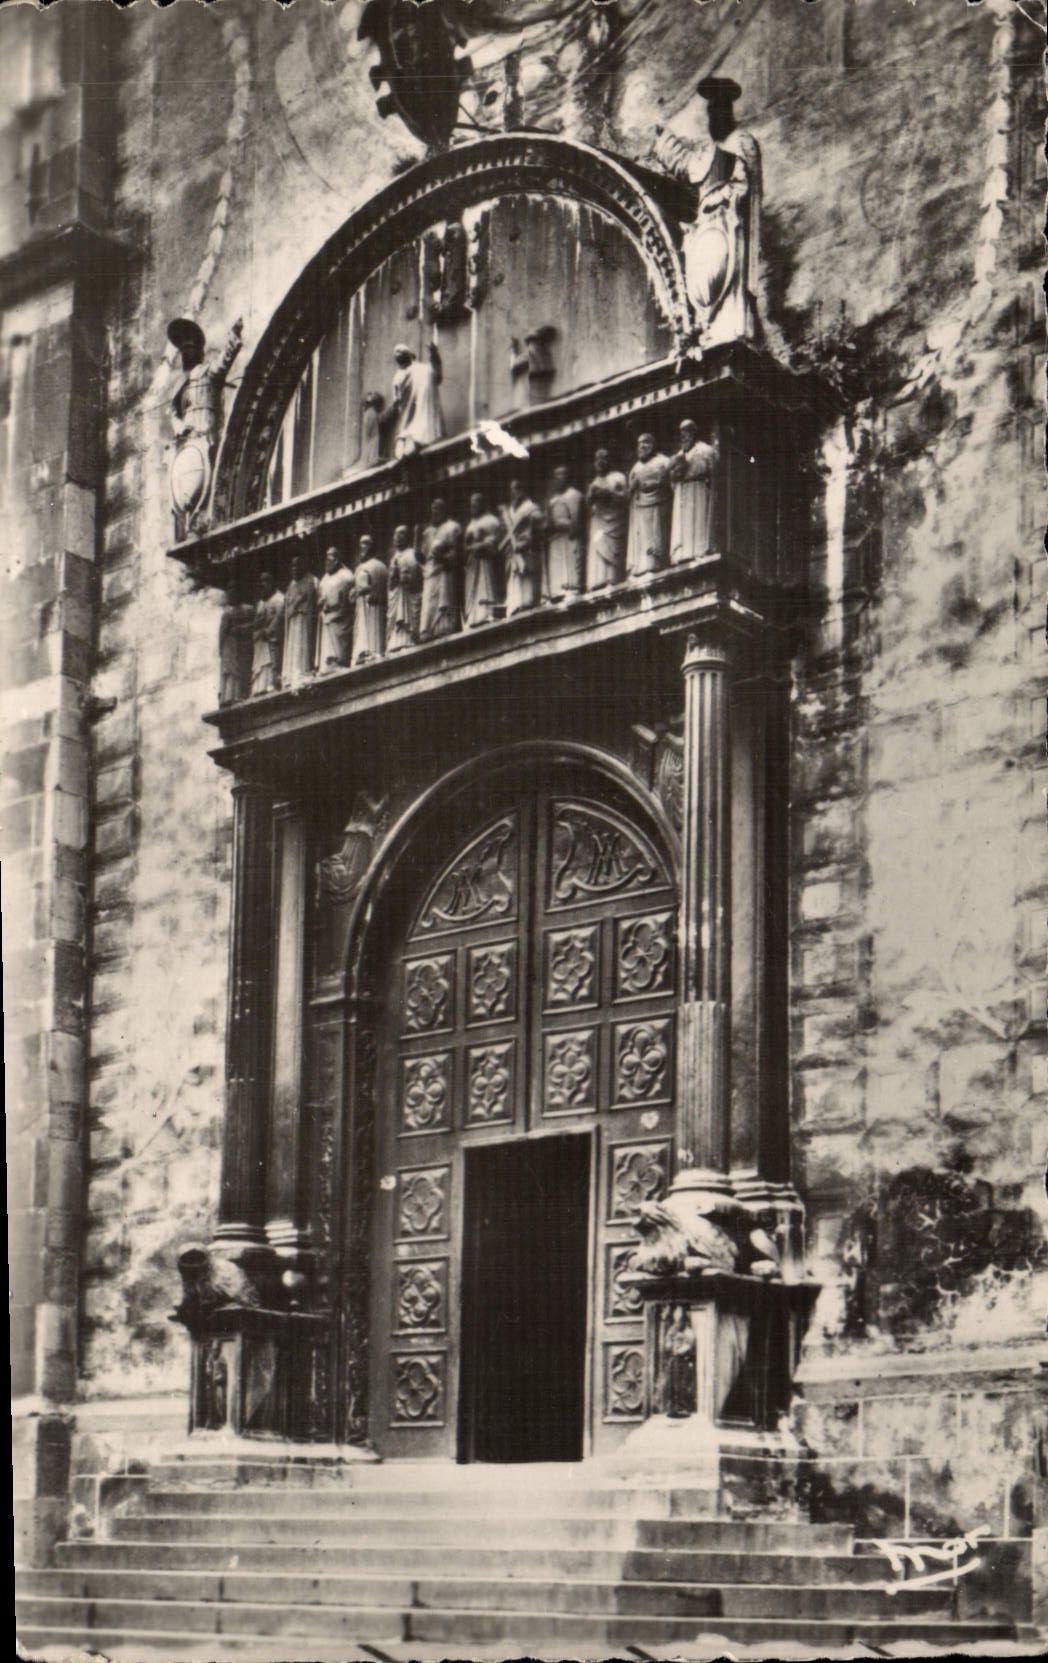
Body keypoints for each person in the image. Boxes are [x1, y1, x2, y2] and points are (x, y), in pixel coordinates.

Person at [669, 419, 719, 564]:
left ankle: (700, 551)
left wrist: (691, 467)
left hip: (698, 489)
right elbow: (671, 480)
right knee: (683, 524)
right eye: (682, 432)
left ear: (694, 432)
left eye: (687, 431)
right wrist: (675, 472)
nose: (684, 435)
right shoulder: (679, 454)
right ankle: (682, 554)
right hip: (682, 492)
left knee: (698, 520)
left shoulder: (704, 449)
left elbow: (712, 467)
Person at [386, 343, 444, 459]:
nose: (398, 355)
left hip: (421, 410)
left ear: (409, 356)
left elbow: (437, 376)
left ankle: (415, 443)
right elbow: (398, 398)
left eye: (401, 353)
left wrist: (434, 356)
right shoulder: (398, 376)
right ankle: (409, 444)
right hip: (409, 412)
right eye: (397, 353)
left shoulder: (422, 369)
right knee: (407, 434)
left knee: (416, 431)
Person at [627, 432, 671, 577]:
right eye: (639, 444)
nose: (641, 446)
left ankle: (657, 562)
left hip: (658, 505)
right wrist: (632, 488)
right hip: (640, 508)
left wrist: (653, 484)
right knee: (641, 536)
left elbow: (670, 482)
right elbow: (630, 492)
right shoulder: (636, 468)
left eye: (645, 443)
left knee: (657, 533)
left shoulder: (663, 462)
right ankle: (641, 565)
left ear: (652, 445)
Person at [419, 497, 462, 641]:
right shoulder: (428, 532)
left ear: (444, 511)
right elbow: (422, 556)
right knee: (429, 601)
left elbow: (457, 552)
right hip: (430, 573)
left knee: (445, 598)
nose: (434, 513)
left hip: (445, 571)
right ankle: (428, 629)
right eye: (433, 510)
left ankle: (444, 627)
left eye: (437, 509)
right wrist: (415, 537)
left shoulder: (452, 527)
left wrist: (443, 558)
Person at [500, 479, 544, 617]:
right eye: (512, 489)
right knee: (515, 575)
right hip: (514, 551)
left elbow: (538, 521)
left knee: (526, 575)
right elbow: (507, 532)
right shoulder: (510, 511)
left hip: (527, 548)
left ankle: (528, 602)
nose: (514, 492)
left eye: (517, 489)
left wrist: (526, 540)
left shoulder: (529, 507)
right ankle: (515, 604)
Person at [585, 448, 627, 591]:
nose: (600, 462)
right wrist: (591, 497)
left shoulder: (618, 477)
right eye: (597, 459)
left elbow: (624, 498)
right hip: (598, 522)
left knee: (611, 549)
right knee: (597, 545)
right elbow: (589, 504)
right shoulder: (595, 481)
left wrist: (607, 494)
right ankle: (598, 580)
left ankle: (612, 578)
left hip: (613, 521)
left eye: (603, 458)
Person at [463, 493, 504, 627]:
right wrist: (468, 543)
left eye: (475, 503)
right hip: (472, 563)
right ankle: (474, 616)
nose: (472, 506)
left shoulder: (491, 520)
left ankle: (487, 612)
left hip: (485, 561)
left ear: (482, 504)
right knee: (472, 589)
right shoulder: (471, 524)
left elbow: (496, 542)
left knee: (486, 586)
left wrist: (482, 543)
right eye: (471, 504)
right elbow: (466, 547)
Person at [545, 466, 585, 601]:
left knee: (571, 560)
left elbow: (577, 523)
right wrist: (550, 525)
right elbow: (548, 523)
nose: (559, 479)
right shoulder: (553, 500)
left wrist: (564, 524)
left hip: (569, 537)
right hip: (556, 538)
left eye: (562, 475)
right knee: (557, 564)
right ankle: (558, 591)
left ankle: (572, 588)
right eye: (556, 476)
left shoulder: (574, 495)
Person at [282, 549, 318, 686]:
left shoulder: (311, 580)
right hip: (293, 623)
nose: (294, 568)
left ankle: (304, 670)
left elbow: (311, 604)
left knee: (303, 646)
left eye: (297, 565)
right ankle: (292, 674)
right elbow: (288, 606)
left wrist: (300, 606)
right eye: (292, 565)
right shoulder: (291, 585)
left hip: (305, 620)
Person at [316, 547, 354, 671]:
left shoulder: (346, 576)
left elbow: (347, 601)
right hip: (327, 617)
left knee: (338, 642)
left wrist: (333, 606)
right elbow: (320, 599)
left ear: (337, 560)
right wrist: (322, 604)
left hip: (340, 617)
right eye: (326, 559)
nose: (327, 562)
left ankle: (340, 662)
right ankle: (328, 664)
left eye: (330, 558)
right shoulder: (324, 580)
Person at [386, 525, 423, 652]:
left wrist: (407, 578)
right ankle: (396, 642)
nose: (398, 537)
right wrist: (394, 575)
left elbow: (419, 577)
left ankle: (411, 639)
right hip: (397, 598)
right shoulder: (393, 558)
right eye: (396, 534)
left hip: (410, 596)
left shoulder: (413, 554)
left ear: (408, 537)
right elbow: (391, 587)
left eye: (402, 534)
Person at [351, 535, 388, 664]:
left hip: (373, 604)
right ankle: (362, 652)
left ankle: (375, 650)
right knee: (361, 629)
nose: (363, 547)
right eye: (361, 544)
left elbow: (379, 586)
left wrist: (367, 590)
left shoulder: (378, 566)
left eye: (366, 544)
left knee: (373, 626)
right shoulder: (359, 568)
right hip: (361, 606)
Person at [251, 571, 285, 695]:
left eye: (266, 581)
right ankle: (259, 687)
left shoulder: (279, 598)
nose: (263, 584)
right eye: (261, 581)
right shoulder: (261, 603)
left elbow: (279, 617)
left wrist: (269, 630)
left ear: (272, 582)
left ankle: (273, 683)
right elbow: (256, 622)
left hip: (272, 638)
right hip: (261, 641)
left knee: (272, 662)